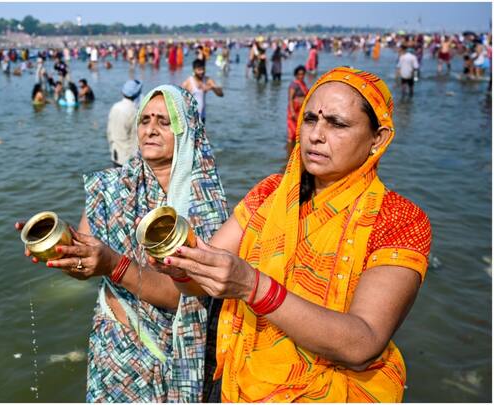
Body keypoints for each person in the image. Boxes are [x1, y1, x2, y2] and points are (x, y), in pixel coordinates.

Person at [152, 67, 431, 402]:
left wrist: (253, 287)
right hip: (239, 385)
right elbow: (201, 281)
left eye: (337, 124)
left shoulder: (401, 220)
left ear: (379, 139)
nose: (315, 134)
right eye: (310, 119)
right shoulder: (270, 192)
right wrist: (181, 266)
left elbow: (363, 342)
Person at [16, 84, 229, 402]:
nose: (150, 130)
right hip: (114, 350)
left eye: (164, 121)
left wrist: (113, 265)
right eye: (144, 120)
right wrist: (63, 249)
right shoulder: (111, 186)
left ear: (187, 129)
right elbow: (86, 262)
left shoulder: (204, 204)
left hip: (171, 358)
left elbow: (179, 296)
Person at [106, 79, 142, 167]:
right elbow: (136, 138)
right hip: (130, 158)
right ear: (137, 94)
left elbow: (109, 133)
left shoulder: (115, 107)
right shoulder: (134, 111)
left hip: (116, 154)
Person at [181, 59, 223, 124]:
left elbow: (221, 94)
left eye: (203, 69)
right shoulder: (188, 82)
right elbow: (178, 98)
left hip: (202, 117)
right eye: (199, 70)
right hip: (191, 118)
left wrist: (212, 87)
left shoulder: (207, 80)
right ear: (194, 70)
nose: (202, 72)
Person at [287, 65, 309, 157]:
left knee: (300, 131)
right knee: (292, 131)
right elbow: (290, 98)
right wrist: (292, 111)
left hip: (301, 109)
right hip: (294, 109)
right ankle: (289, 153)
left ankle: (296, 152)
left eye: (303, 74)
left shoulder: (303, 83)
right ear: (296, 75)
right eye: (299, 74)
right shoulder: (294, 85)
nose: (301, 76)